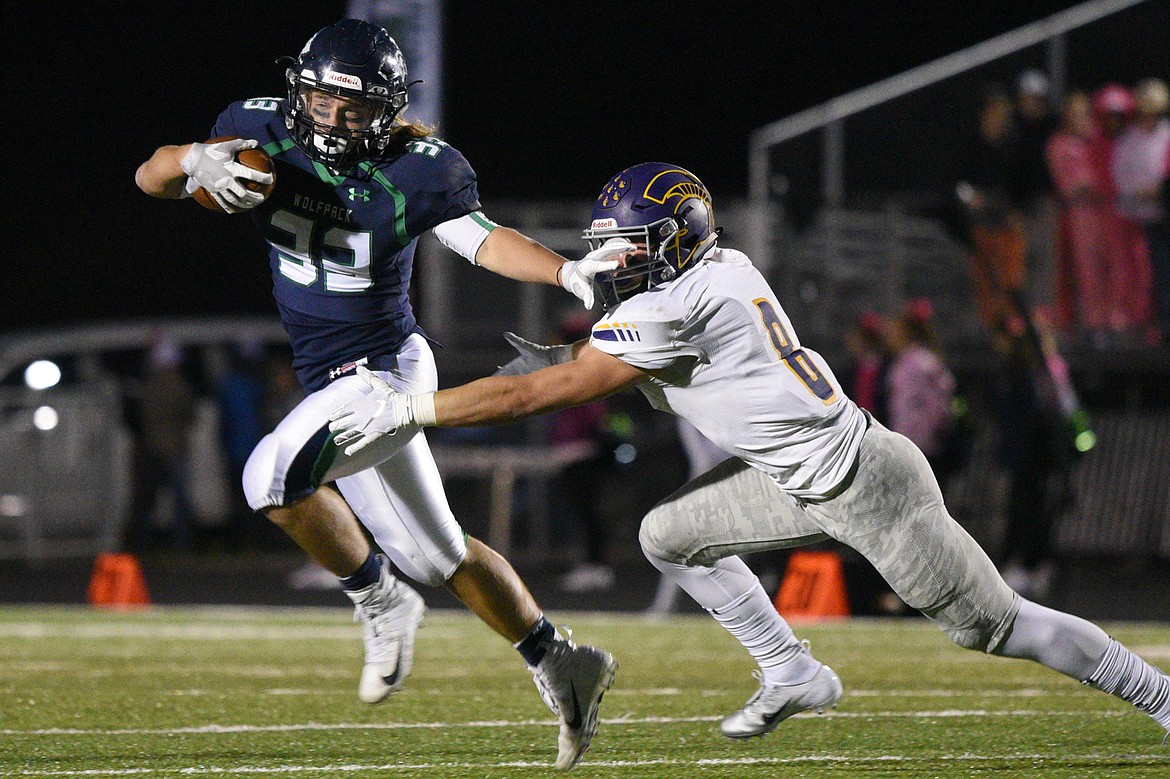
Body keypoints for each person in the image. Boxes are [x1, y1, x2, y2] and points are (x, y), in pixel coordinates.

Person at [329, 162, 1170, 742]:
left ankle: (1159, 695)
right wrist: (576, 357)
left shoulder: (670, 304)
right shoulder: (717, 267)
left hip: (867, 483)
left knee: (997, 627)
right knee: (667, 535)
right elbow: (629, 359)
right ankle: (790, 669)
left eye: (633, 243)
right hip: (792, 477)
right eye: (612, 241)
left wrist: (410, 405)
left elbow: (537, 394)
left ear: (678, 239)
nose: (615, 257)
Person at [135, 19, 618, 769]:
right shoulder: (258, 128)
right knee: (440, 553)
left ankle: (377, 597)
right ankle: (561, 660)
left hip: (386, 372)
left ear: (388, 110)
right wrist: (192, 158)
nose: (332, 119)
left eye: (354, 109)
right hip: (330, 380)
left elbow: (481, 239)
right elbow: (150, 176)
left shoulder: (420, 168)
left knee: (269, 476)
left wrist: (564, 272)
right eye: (322, 100)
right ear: (300, 88)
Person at [956, 84, 1027, 330]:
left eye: (1004, 115)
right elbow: (958, 183)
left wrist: (1018, 210)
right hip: (981, 223)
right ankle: (991, 328)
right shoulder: (972, 145)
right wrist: (970, 197)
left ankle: (1013, 328)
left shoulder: (1013, 145)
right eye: (996, 113)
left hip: (1007, 222)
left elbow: (1022, 184)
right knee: (985, 280)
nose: (1001, 119)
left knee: (1011, 280)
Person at [1113, 78, 1169, 346]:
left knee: (1163, 272)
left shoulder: (1167, 134)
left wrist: (1159, 191)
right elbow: (1121, 172)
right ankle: (1146, 326)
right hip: (1136, 216)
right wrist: (1138, 192)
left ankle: (1163, 325)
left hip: (1163, 213)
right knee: (1144, 274)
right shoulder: (1130, 139)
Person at [1012, 69, 1061, 310]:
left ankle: (1042, 315)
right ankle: (1021, 318)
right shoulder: (1012, 128)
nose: (1032, 103)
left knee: (1043, 260)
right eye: (1028, 97)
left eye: (1037, 98)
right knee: (1019, 261)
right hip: (1016, 203)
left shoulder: (1051, 127)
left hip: (1043, 201)